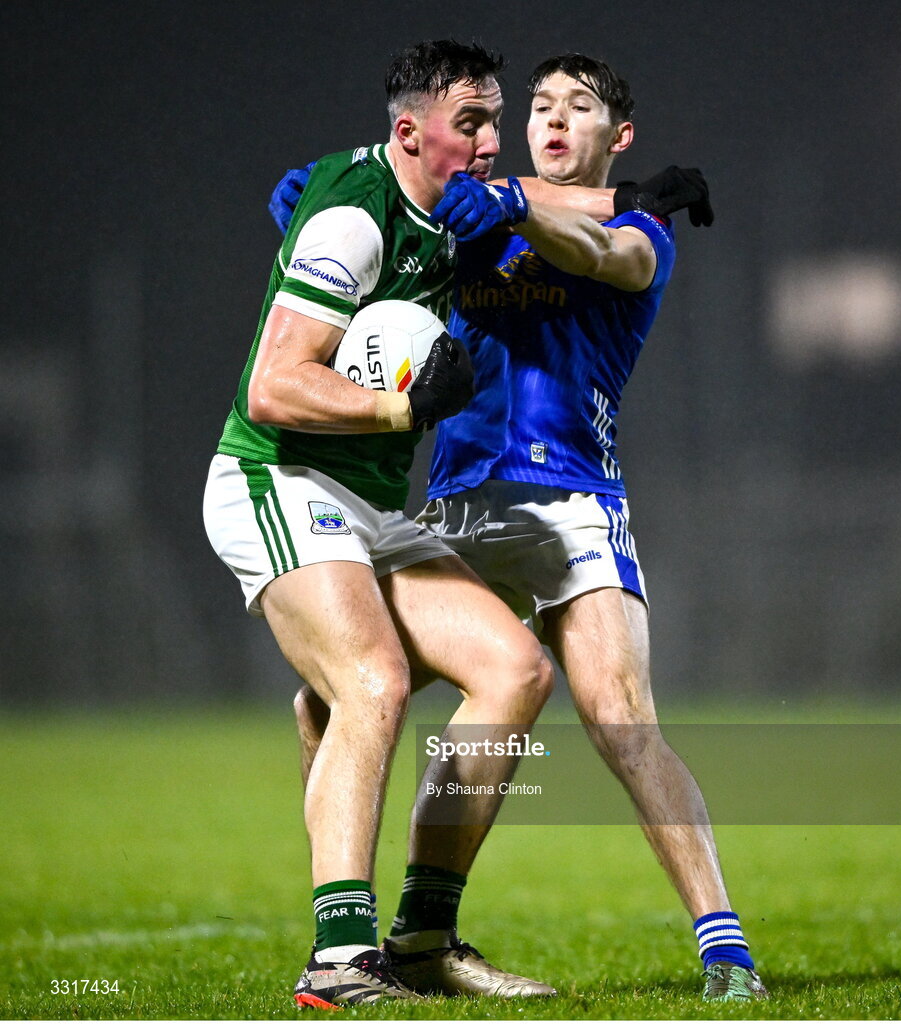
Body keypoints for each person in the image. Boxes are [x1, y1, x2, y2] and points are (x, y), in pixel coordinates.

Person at [276, 52, 768, 1003]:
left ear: (615, 138)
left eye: (577, 107)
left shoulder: (640, 233)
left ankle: (726, 950)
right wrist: (322, 213)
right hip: (458, 506)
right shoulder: (473, 217)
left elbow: (598, 255)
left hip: (574, 505)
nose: (551, 119)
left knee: (622, 720)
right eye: (539, 105)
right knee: (330, 698)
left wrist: (524, 211)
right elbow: (394, 222)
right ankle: (390, 935)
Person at [203, 39, 559, 1009]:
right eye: (470, 124)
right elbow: (274, 383)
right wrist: (400, 409)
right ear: (409, 130)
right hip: (275, 478)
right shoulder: (356, 216)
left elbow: (553, 204)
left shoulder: (449, 209)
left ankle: (421, 938)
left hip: (366, 505)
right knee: (376, 678)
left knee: (514, 670)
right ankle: (336, 959)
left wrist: (630, 194)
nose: (490, 141)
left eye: (495, 119)